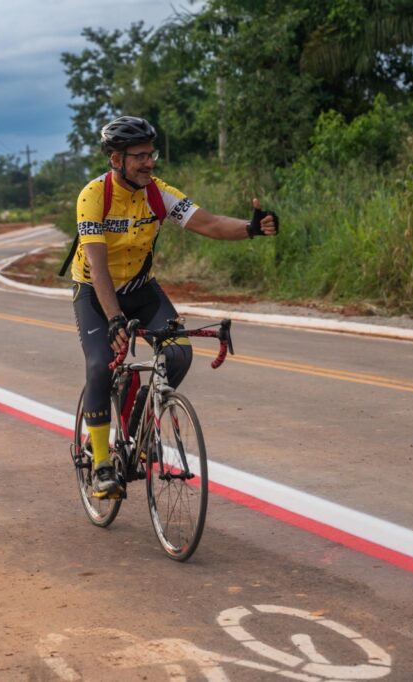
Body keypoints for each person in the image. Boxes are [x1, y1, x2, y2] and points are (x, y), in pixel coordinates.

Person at [67, 115, 279, 498]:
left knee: (178, 354)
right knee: (99, 364)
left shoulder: (158, 193)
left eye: (151, 154)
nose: (149, 163)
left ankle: (139, 423)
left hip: (141, 289)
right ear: (116, 158)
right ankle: (101, 464)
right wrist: (114, 319)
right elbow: (96, 265)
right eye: (139, 156)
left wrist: (250, 228)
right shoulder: (94, 196)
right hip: (95, 293)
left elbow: (211, 224)